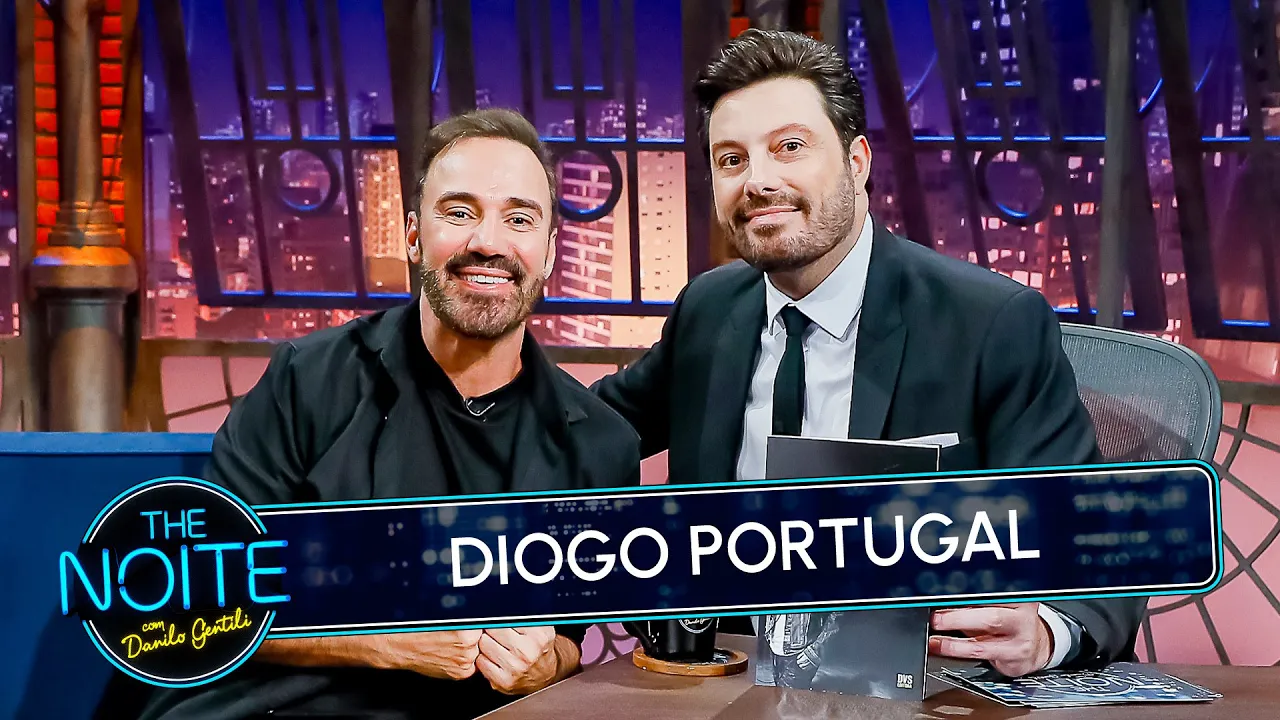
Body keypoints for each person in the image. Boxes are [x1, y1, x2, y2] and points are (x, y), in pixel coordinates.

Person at [591, 29, 1146, 678]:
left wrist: (1045, 631)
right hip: (725, 682)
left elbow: (1094, 545)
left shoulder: (990, 324)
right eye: (731, 159)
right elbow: (581, 432)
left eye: (790, 147)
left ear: (856, 162)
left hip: (914, 690)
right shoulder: (708, 311)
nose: (758, 181)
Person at [133, 108, 642, 720]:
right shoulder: (307, 380)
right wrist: (387, 636)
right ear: (413, 236)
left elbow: (567, 639)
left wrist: (549, 665)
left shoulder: (600, 446)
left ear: (550, 252)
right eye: (459, 213)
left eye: (519, 219)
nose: (488, 242)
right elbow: (199, 600)